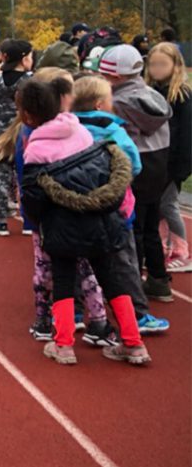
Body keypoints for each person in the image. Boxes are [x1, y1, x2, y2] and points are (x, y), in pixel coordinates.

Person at [18, 78, 149, 366]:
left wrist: (41, 219)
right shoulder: (82, 133)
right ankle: (133, 342)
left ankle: (63, 344)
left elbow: (33, 199)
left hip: (62, 225)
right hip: (100, 219)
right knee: (112, 280)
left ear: (27, 115)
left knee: (64, 282)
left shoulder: (36, 150)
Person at [0, 68, 113, 346]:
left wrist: (31, 217)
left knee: (47, 271)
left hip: (48, 218)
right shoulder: (79, 131)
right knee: (85, 268)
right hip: (83, 212)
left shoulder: (31, 141)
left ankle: (47, 323)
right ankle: (99, 322)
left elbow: (30, 184)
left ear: (26, 112)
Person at [71, 74, 165, 334]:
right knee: (123, 264)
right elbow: (133, 165)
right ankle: (137, 315)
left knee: (76, 262)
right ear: (101, 104)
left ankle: (76, 312)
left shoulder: (69, 129)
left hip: (76, 208)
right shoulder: (115, 132)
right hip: (115, 208)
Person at [100, 45, 173, 302]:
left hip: (134, 166)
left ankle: (133, 286)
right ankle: (159, 279)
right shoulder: (154, 96)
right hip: (159, 164)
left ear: (116, 77)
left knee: (133, 230)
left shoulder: (117, 103)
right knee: (151, 226)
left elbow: (120, 140)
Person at [145, 42, 192, 272]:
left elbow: (186, 132)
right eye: (153, 64)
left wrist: (181, 168)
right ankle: (163, 246)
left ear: (175, 65)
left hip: (174, 162)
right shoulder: (150, 92)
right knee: (157, 206)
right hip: (156, 160)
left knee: (169, 204)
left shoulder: (182, 95)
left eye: (163, 64)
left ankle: (183, 252)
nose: (157, 69)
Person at [0, 40, 33, 234]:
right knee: (27, 178)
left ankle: (1, 220)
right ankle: (29, 221)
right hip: (25, 136)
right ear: (23, 58)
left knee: (1, 178)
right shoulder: (31, 83)